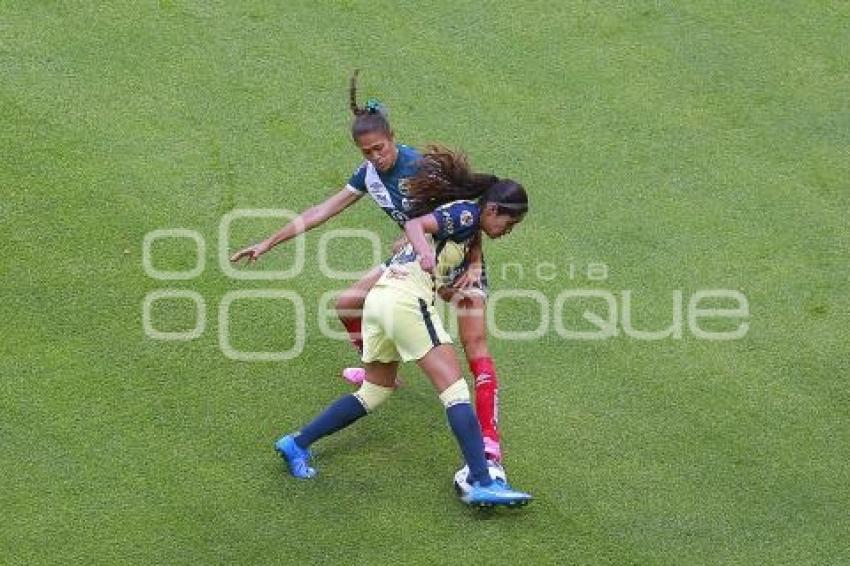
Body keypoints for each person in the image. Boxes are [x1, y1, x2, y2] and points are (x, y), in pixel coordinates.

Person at [229, 71, 508, 465]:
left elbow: (471, 210)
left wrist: (475, 263)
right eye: (367, 153)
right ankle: (381, 370)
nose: (376, 157)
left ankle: (490, 443)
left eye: (380, 148)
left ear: (392, 138)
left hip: (456, 263)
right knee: (348, 303)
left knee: (475, 347)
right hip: (415, 262)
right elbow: (322, 210)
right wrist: (268, 241)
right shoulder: (370, 176)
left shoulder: (422, 167)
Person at [274, 173, 531, 507]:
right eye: (509, 223)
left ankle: (297, 443)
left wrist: (453, 294)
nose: (508, 231)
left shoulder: (465, 227)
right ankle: (483, 481)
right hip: (404, 302)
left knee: (374, 391)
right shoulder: (466, 214)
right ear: (493, 209)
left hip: (380, 301)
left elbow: (431, 268)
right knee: (455, 391)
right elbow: (415, 225)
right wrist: (424, 253)